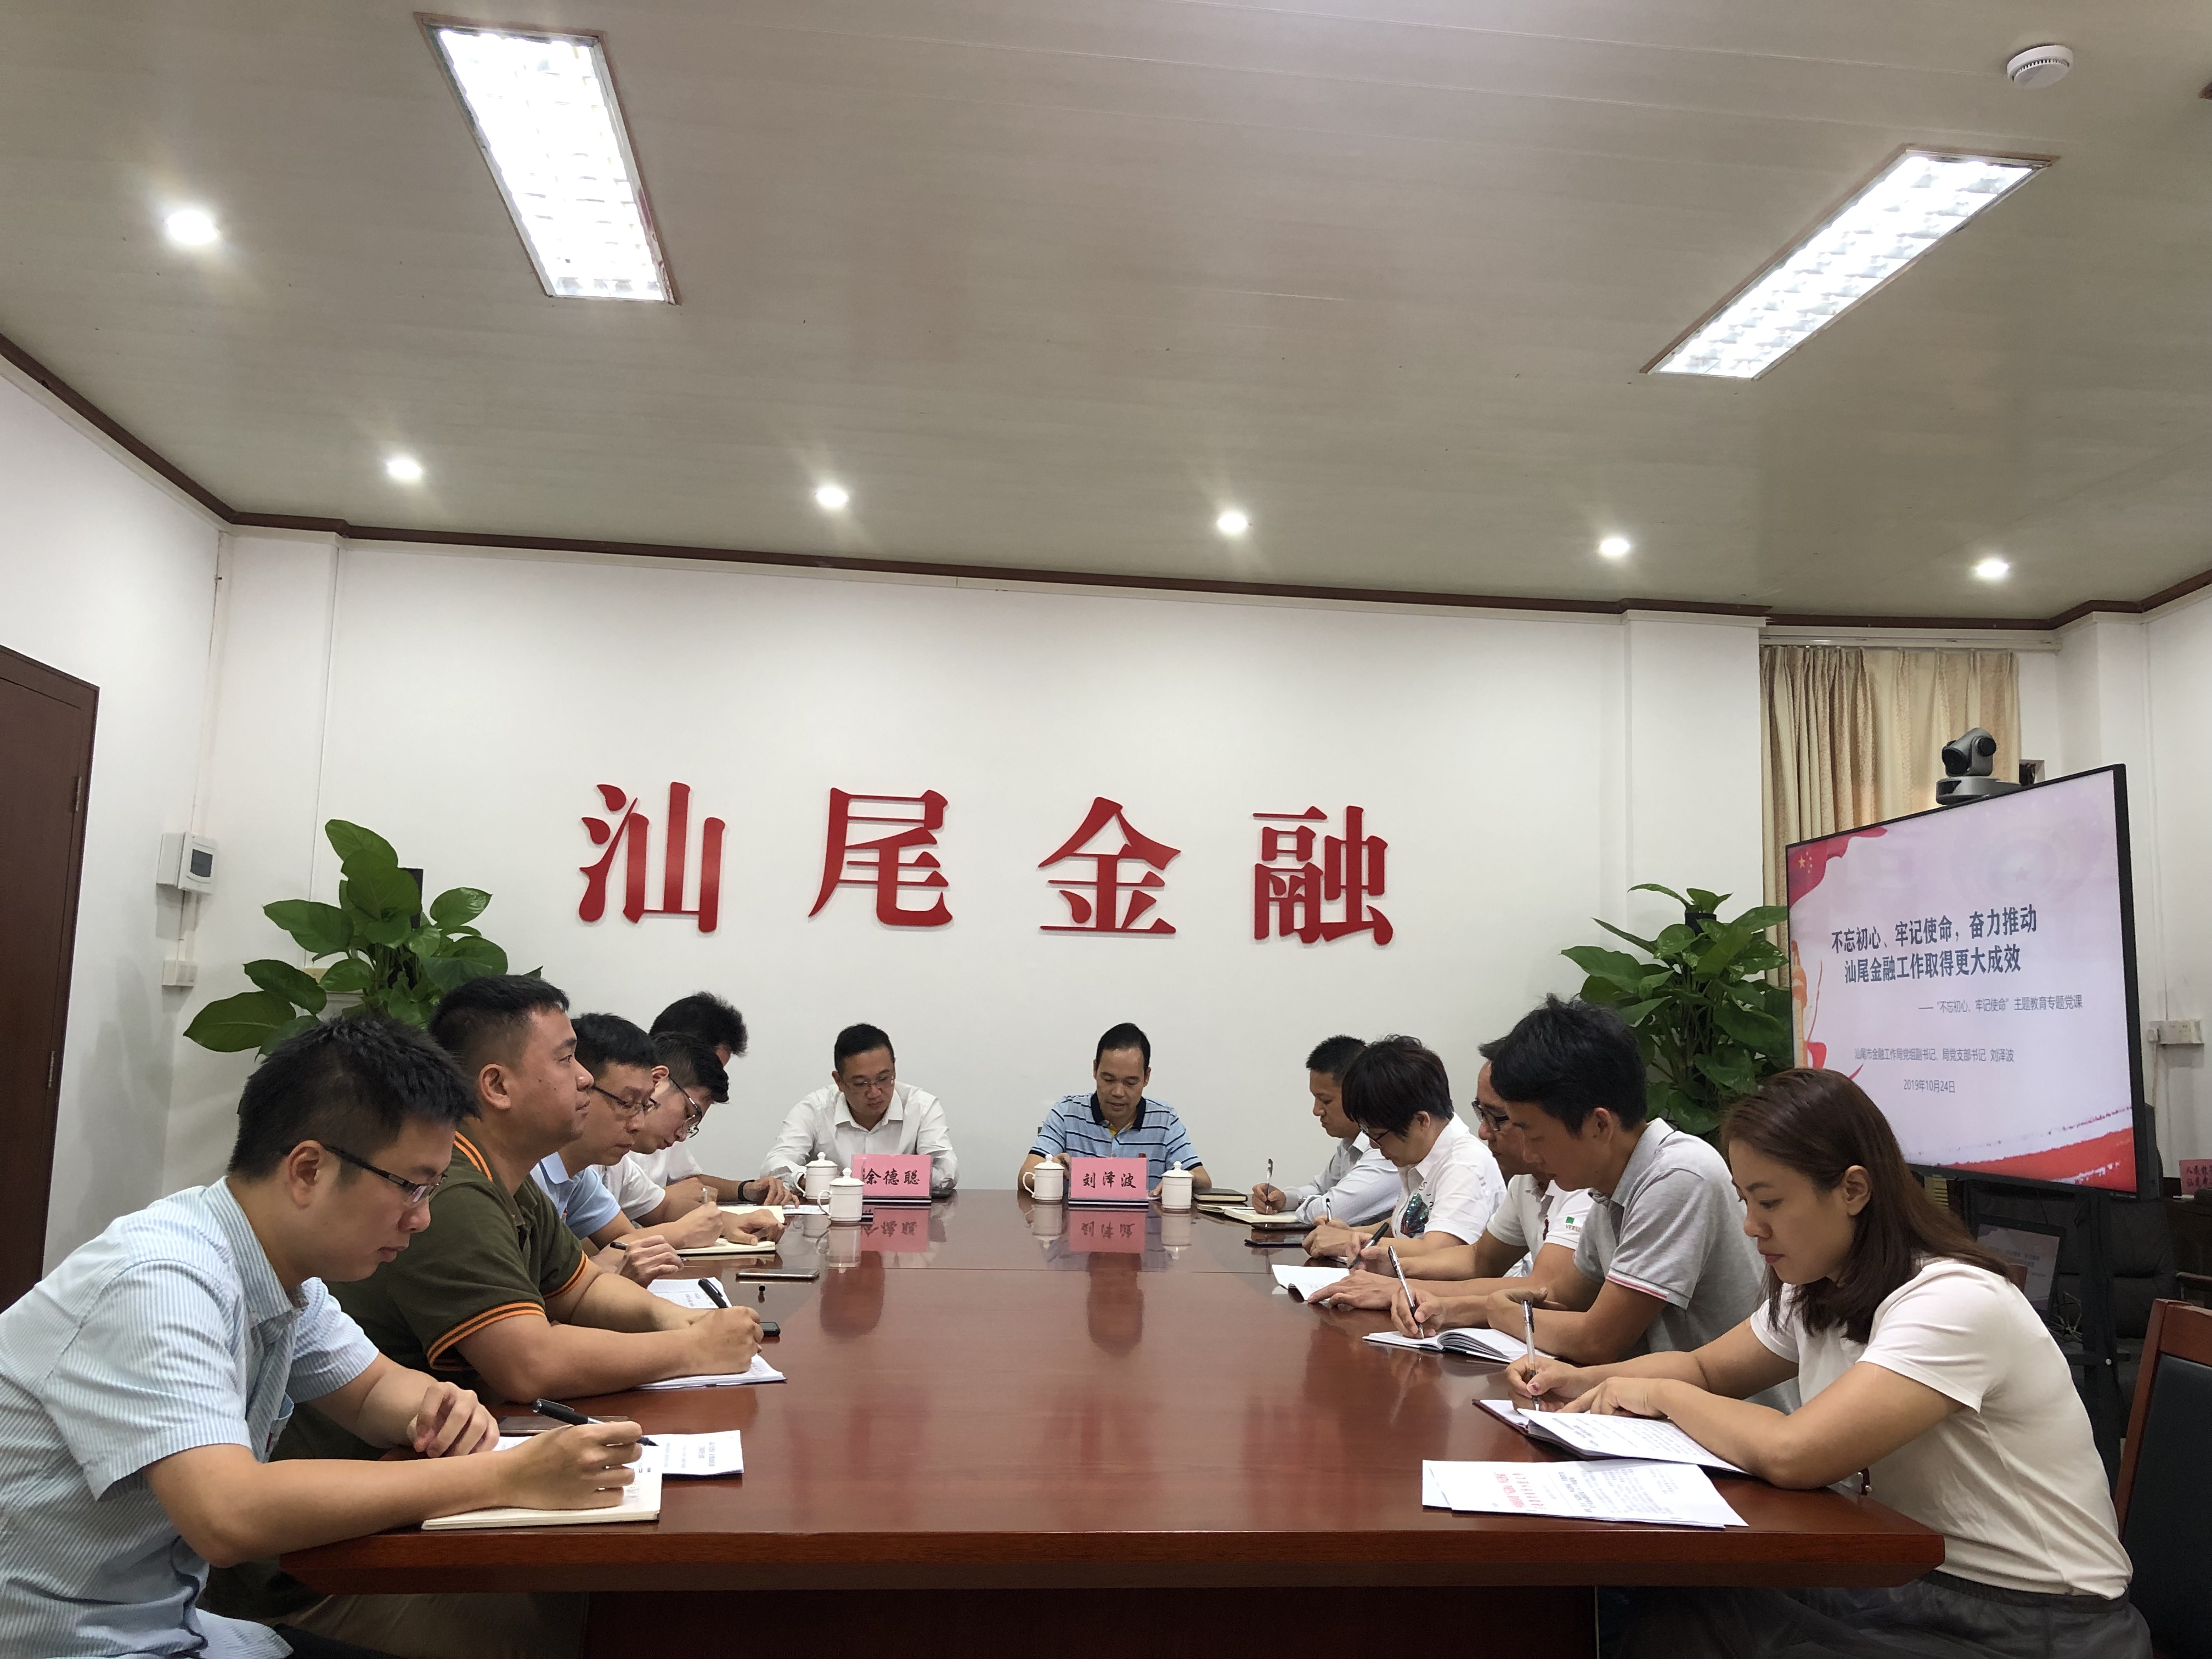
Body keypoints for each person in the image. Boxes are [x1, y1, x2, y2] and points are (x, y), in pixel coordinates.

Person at [0, 1016, 641, 1659]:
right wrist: (505, 1477)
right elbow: (229, 1514)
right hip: (68, 1645)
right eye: (411, 1186)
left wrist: (443, 1409)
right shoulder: (161, 1279)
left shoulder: (283, 1277)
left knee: (560, 1618)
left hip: (173, 1626)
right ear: (308, 1169)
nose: (422, 1218)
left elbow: (373, 1392)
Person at [1509, 1069, 2151, 1659]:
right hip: (1905, 1575)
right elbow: (1705, 1371)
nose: (1751, 1227)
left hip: (2036, 1619)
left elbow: (1795, 1453)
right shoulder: (1819, 1286)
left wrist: (1658, 1396)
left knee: (1718, 1626)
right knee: (1679, 1600)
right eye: (1745, 1201)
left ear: (1852, 1190)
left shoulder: (1953, 1300)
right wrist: (1582, 1380)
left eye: (1769, 1203)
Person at [282, 976, 763, 1462]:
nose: (585, 1079)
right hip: (369, 1466)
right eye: (566, 1059)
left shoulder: (508, 1177)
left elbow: (584, 1289)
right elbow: (529, 1365)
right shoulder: (454, 1189)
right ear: (497, 1086)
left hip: (437, 1449)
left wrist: (680, 1320)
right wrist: (692, 1349)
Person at [1398, 998, 1772, 1398]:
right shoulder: (1610, 1186)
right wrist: (1448, 1309)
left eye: (1535, 1136)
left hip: (1727, 1419)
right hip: (1650, 1407)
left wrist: (1499, 1311)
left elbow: (1598, 1339)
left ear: (1598, 1125)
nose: (1528, 1155)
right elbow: (1562, 1299)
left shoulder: (1678, 1175)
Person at [1312, 1059, 1587, 1309]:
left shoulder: (1581, 1185)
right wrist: (1397, 1267)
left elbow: (1545, 1289)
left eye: (1497, 1118)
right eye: (1481, 1113)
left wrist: (1401, 1287)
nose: (1483, 1132)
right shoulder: (1525, 1179)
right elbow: (1478, 1259)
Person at [538, 1014, 780, 1275]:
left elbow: (627, 1238)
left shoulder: (585, 1174)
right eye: (627, 1104)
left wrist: (726, 1222)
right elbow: (576, 1266)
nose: (638, 1123)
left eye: (644, 1106)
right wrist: (681, 1233)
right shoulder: (529, 1173)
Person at [1301, 1036, 1503, 1278]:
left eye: (1378, 1135)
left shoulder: (1464, 1166)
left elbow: (1438, 1251)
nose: (1374, 1145)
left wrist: (1349, 1242)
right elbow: (1408, 1227)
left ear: (1420, 1121)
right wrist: (1353, 1232)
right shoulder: (1421, 1155)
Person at [761, 1023, 959, 1195]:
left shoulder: (922, 1107)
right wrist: (808, 1178)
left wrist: (897, 1177)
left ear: (894, 1068)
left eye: (884, 1079)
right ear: (839, 1081)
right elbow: (774, 1165)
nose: (874, 1092)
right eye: (860, 1083)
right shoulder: (816, 1109)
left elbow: (946, 1170)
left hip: (903, 1218)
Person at [1019, 1022, 1211, 1193]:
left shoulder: (1164, 1119)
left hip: (1145, 1222)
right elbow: (1025, 1176)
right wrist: (1051, 1170)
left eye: (1130, 1082)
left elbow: (1203, 1180)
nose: (1118, 1092)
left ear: (1146, 1077)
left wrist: (1183, 1179)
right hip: (1077, 1221)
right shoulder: (1067, 1112)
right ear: (1095, 1070)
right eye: (1109, 1080)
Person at [648, 992, 793, 1208]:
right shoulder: (623, 1131)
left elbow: (685, 1181)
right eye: (707, 1066)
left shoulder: (668, 1123)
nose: (714, 1078)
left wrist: (746, 1190)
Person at [1246, 1034, 1398, 1226]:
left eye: (1325, 1101)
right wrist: (1285, 1199)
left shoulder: (1387, 1147)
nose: (1316, 1110)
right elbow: (1320, 1189)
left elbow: (1331, 1211)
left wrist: (1305, 1204)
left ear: (1358, 1093)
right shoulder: (1350, 1141)